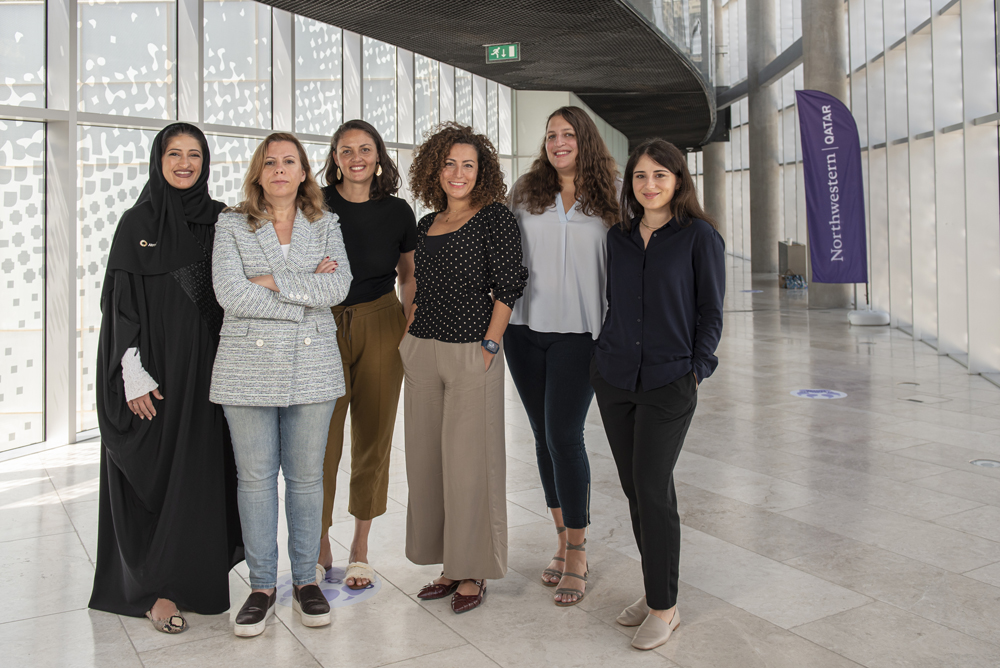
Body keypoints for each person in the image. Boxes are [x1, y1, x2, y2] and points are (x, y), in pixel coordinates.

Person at [90, 122, 244, 634]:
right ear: (159, 161)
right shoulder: (136, 222)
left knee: (198, 477)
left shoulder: (222, 219)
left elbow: (243, 283)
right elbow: (120, 304)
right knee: (153, 478)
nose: (184, 163)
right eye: (174, 154)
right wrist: (131, 371)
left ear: (206, 162)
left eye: (194, 154)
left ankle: (193, 581)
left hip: (211, 374)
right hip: (154, 376)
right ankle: (155, 589)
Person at [210, 132, 352, 637]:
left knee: (307, 479)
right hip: (245, 367)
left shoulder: (325, 223)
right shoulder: (232, 224)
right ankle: (262, 587)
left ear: (303, 171)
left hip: (313, 366)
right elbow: (230, 293)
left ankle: (306, 580)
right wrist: (303, 293)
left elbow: (338, 286)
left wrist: (270, 281)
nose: (279, 170)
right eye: (270, 162)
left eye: (289, 161)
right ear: (258, 171)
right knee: (254, 480)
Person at [591, 139, 725, 650]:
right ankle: (654, 595)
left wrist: (697, 370)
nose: (649, 185)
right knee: (635, 490)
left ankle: (665, 609)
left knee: (652, 487)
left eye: (660, 175)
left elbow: (711, 312)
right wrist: (601, 359)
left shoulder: (699, 237)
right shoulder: (619, 238)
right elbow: (613, 301)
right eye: (641, 176)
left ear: (678, 180)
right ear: (630, 183)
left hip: (670, 381)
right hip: (616, 379)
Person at [402, 123, 527, 614]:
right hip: (422, 350)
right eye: (449, 163)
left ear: (482, 171)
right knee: (427, 463)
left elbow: (510, 284)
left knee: (470, 464)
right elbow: (417, 283)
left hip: (472, 350)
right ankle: (450, 564)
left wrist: (491, 343)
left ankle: (474, 569)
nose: (458, 173)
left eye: (468, 165)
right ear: (435, 169)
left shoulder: (495, 217)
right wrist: (408, 335)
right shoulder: (425, 223)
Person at [505, 106, 620, 606]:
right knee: (541, 436)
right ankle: (560, 538)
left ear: (584, 139)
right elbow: (501, 252)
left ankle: (577, 550)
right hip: (523, 330)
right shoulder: (525, 191)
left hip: (581, 334)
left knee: (564, 436)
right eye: (551, 134)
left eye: (567, 133)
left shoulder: (614, 194)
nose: (558, 142)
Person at [317, 119, 417, 589]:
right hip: (322, 322)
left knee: (374, 437)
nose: (356, 157)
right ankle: (319, 543)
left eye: (365, 149)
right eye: (346, 150)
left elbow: (408, 274)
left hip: (381, 321)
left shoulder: (398, 211)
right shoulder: (314, 204)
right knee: (319, 440)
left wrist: (409, 324)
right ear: (335, 158)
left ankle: (360, 546)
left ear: (378, 156)